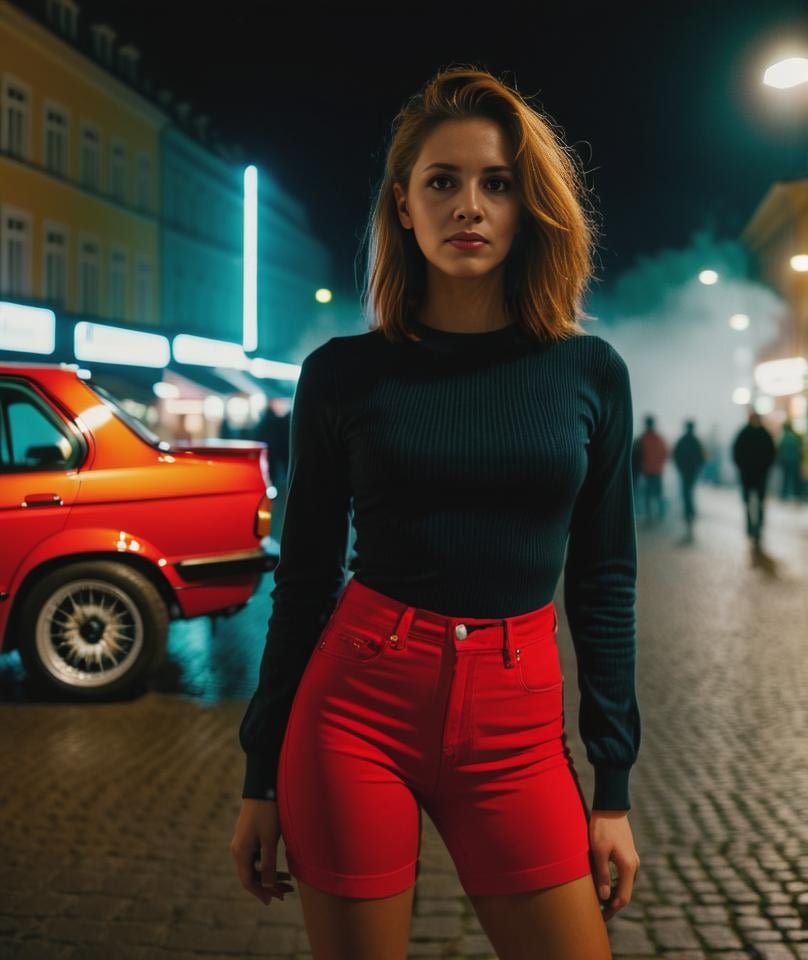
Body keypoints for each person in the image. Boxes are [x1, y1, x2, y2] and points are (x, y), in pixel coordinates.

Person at [230, 65, 641, 959]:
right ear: (404, 206)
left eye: (496, 184)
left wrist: (612, 789)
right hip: (354, 716)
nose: (470, 205)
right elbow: (302, 580)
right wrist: (260, 775)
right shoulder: (342, 373)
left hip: (519, 730)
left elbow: (605, 580)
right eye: (442, 182)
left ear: (528, 205)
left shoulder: (591, 373)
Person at [731, 411, 776, 558]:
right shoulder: (764, 434)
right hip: (756, 475)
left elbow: (736, 452)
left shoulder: (744, 433)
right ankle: (755, 526)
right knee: (756, 502)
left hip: (750, 474)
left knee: (751, 501)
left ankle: (753, 527)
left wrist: (742, 466)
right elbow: (772, 453)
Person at [672, 419, 706, 542]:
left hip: (685, 471)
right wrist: (699, 466)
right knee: (690, 491)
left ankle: (688, 511)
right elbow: (702, 456)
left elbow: (675, 455)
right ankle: (690, 511)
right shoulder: (696, 441)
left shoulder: (682, 441)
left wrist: (679, 466)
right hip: (692, 471)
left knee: (686, 492)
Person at [637, 415, 668, 526]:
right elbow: (665, 453)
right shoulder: (659, 438)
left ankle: (649, 516)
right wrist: (660, 464)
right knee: (658, 493)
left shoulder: (642, 439)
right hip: (657, 471)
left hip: (646, 471)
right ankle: (660, 513)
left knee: (647, 494)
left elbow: (637, 455)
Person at [777, 419, 803, 502]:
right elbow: (799, 450)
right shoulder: (795, 437)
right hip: (794, 461)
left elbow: (779, 451)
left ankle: (784, 495)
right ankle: (796, 495)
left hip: (786, 461)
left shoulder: (783, 438)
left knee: (786, 478)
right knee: (795, 479)